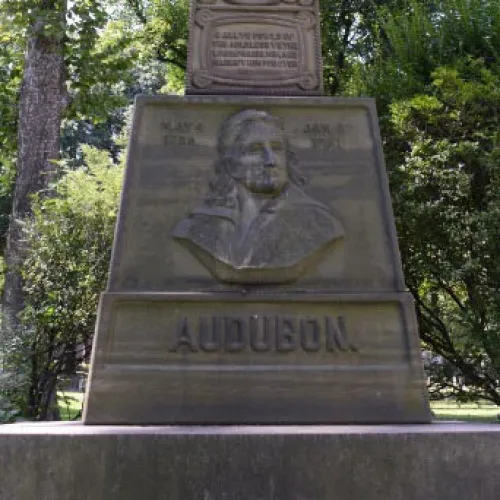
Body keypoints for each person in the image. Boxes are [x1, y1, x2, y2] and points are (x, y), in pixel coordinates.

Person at [172, 109, 344, 284]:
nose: (270, 160)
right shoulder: (196, 226)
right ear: (232, 164)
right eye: (255, 150)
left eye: (277, 148)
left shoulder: (320, 224)